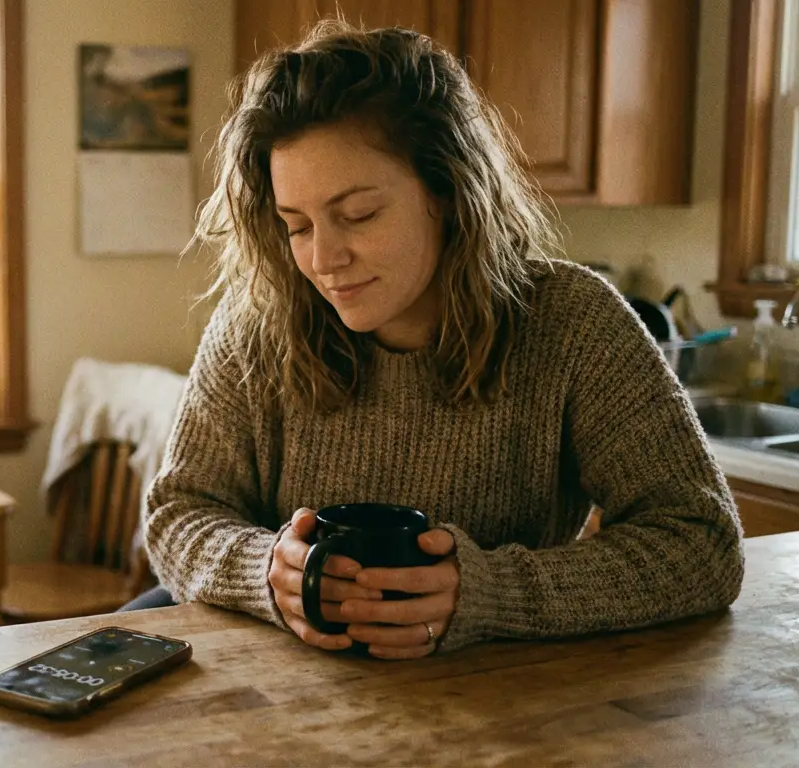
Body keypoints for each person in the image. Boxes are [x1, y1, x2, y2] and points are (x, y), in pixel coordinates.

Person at [127, 21, 744, 659]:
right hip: (274, 690)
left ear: (447, 191)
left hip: (491, 705)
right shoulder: (259, 320)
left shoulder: (572, 323)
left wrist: (488, 592)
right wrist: (265, 572)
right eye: (297, 225)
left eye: (359, 214)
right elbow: (180, 513)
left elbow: (702, 544)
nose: (324, 258)